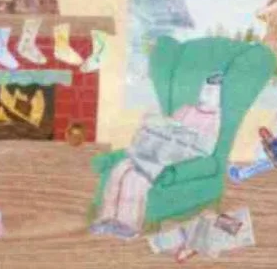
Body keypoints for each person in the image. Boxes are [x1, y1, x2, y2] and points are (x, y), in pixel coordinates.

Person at [91, 73, 224, 238]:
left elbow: (202, 145)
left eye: (212, 90)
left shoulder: (212, 120)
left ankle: (127, 224)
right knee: (119, 170)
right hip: (158, 148)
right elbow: (168, 125)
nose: (207, 97)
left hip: (176, 153)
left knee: (135, 179)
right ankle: (106, 218)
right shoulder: (186, 110)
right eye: (208, 89)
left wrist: (176, 136)